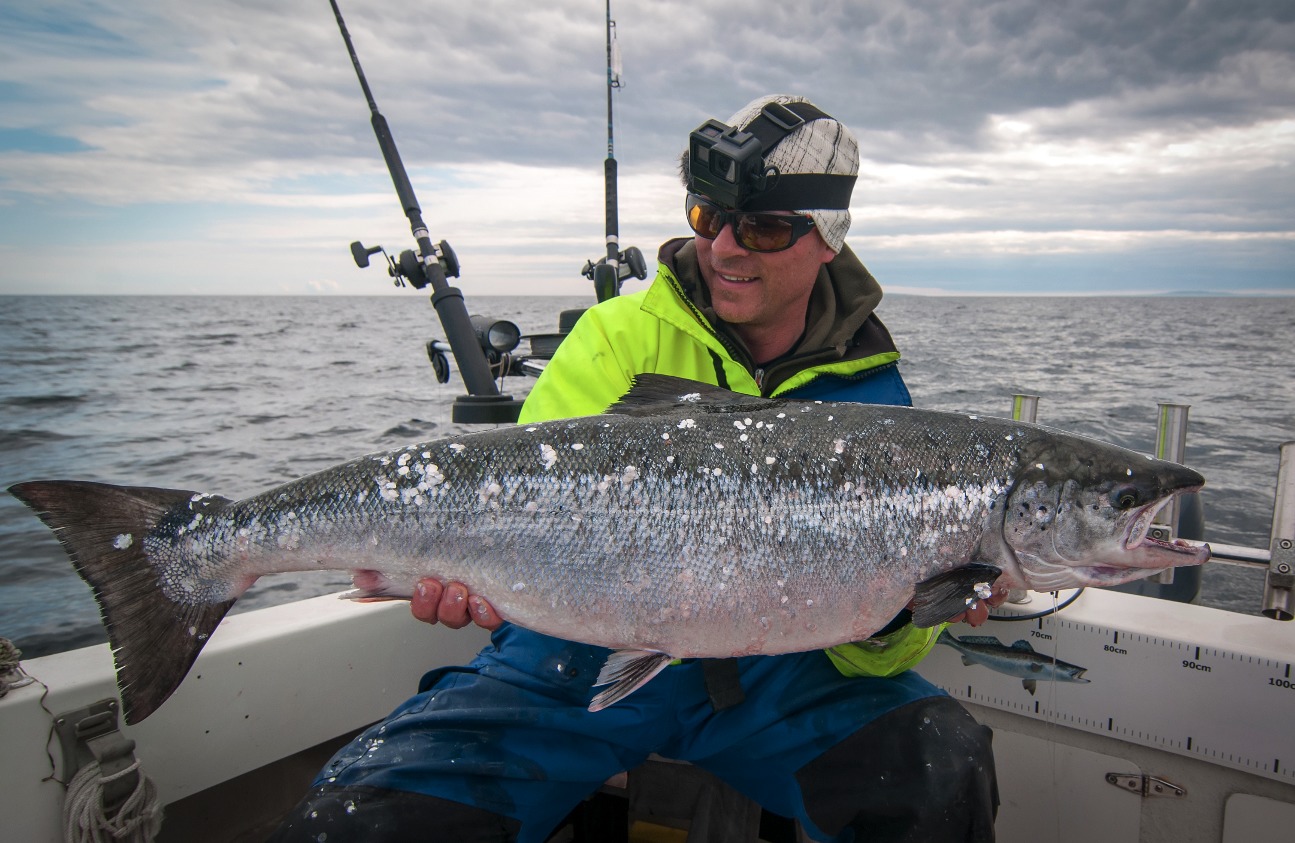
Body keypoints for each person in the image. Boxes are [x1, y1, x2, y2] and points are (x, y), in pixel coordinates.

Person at [271, 94, 1001, 843]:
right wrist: (466, 574)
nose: (724, 248)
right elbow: (521, 500)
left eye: (762, 226)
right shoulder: (614, 336)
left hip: (779, 677)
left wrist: (919, 606)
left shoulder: (872, 392)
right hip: (566, 659)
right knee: (356, 823)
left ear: (828, 239)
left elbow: (880, 645)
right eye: (706, 216)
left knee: (940, 770)